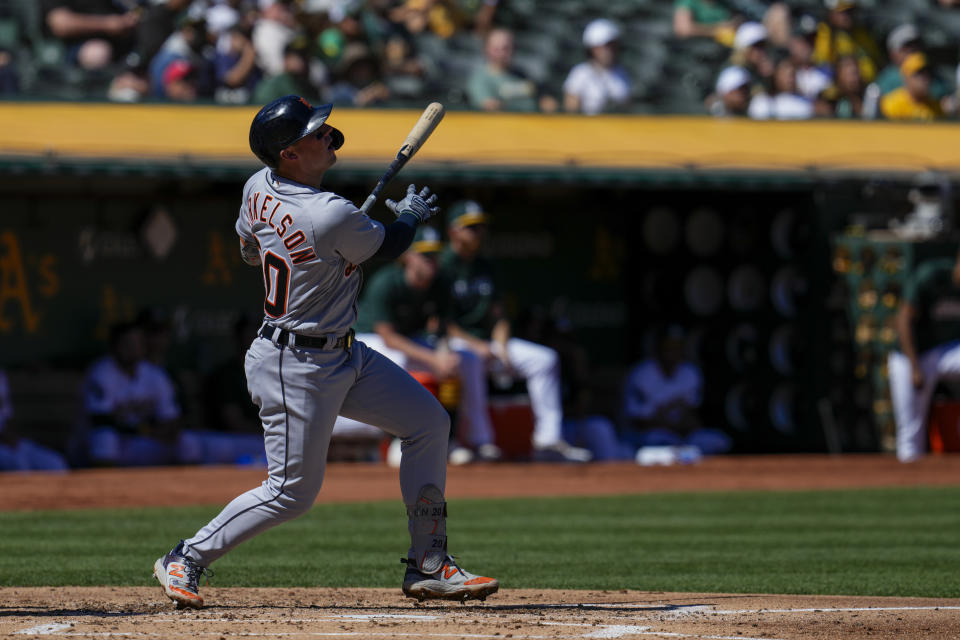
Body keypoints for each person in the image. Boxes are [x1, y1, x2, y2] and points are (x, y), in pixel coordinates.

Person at [152, 96, 498, 610]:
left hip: (343, 352)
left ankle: (429, 562)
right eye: (316, 134)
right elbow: (391, 244)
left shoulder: (258, 186)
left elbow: (251, 247)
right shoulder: (330, 212)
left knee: (428, 422)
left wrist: (318, 255)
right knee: (291, 492)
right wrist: (406, 217)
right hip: (295, 363)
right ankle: (186, 556)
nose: (328, 135)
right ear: (289, 153)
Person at [439, 200, 592, 463]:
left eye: (481, 227)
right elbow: (440, 322)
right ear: (454, 231)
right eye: (471, 227)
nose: (479, 232)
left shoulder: (486, 266)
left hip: (488, 343)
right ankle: (480, 441)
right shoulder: (442, 265)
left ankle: (548, 439)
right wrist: (479, 346)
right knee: (472, 360)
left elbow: (500, 316)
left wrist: (500, 347)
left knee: (545, 359)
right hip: (454, 344)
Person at [348, 225, 502, 462]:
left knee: (466, 361)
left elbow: (441, 329)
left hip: (408, 339)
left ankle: (474, 439)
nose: (431, 260)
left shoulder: (439, 283)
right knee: (396, 361)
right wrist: (433, 360)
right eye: (424, 254)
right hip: (369, 340)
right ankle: (397, 439)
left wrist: (444, 356)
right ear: (408, 256)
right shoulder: (387, 281)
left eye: (435, 254)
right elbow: (388, 336)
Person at [889, 249, 960, 462]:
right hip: (910, 355)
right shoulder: (932, 275)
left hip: (945, 351)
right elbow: (903, 321)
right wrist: (915, 368)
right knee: (910, 434)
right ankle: (909, 481)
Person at [81, 321, 184, 467]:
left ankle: (183, 488)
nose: (133, 348)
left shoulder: (154, 374)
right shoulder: (102, 373)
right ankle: (102, 487)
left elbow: (170, 417)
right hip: (102, 445)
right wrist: (144, 430)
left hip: (140, 442)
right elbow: (100, 419)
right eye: (128, 343)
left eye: (138, 343)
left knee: (187, 442)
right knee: (105, 438)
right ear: (115, 346)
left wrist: (165, 430)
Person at [621, 326, 732, 458]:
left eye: (677, 346)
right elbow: (639, 422)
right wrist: (667, 421)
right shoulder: (641, 374)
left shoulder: (690, 373)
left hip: (681, 435)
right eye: (668, 346)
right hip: (648, 437)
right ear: (658, 348)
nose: (672, 351)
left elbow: (693, 417)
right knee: (660, 442)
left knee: (718, 441)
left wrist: (679, 424)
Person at [465, 27, 558, 112]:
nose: (501, 53)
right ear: (486, 50)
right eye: (496, 49)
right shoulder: (480, 79)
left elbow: (542, 98)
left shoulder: (521, 74)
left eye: (506, 48)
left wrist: (545, 102)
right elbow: (490, 106)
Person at [0, 369, 69, 472]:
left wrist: (14, 443)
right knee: (19, 465)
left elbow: (7, 417)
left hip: (5, 442)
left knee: (56, 463)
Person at [41, 0, 138, 71]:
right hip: (74, 48)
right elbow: (60, 24)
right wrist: (107, 24)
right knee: (97, 52)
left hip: (131, 45)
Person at [562, 19, 632, 115]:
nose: (608, 51)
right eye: (604, 46)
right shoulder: (580, 73)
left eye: (612, 46)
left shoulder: (622, 73)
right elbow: (571, 110)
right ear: (593, 49)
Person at [812, 0, 882, 85]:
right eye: (843, 13)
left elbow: (875, 58)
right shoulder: (826, 33)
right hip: (842, 91)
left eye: (850, 12)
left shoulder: (860, 33)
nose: (848, 16)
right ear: (831, 14)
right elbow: (822, 64)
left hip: (869, 84)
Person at [880, 53, 944, 121]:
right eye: (919, 73)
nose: (925, 77)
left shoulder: (937, 107)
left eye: (928, 72)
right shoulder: (891, 105)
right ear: (907, 78)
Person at [748, 56, 814, 120]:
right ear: (776, 75)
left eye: (792, 74)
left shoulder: (805, 103)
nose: (790, 79)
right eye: (785, 74)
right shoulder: (761, 102)